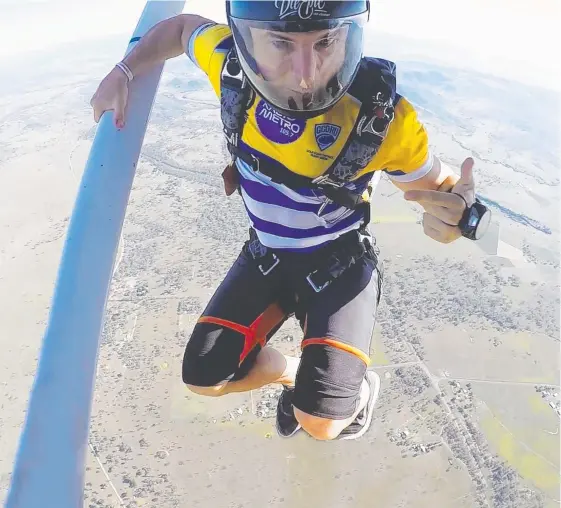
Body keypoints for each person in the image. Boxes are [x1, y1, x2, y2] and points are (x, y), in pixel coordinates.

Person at [90, 1, 491, 441]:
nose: (305, 75)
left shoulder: (382, 120)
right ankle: (300, 377)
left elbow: (439, 187)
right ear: (247, 39)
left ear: (350, 36)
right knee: (204, 379)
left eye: (325, 42)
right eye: (282, 43)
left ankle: (350, 395)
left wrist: (458, 216)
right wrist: (123, 72)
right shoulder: (232, 67)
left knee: (322, 426)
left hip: (340, 266)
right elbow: (181, 28)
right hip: (267, 256)